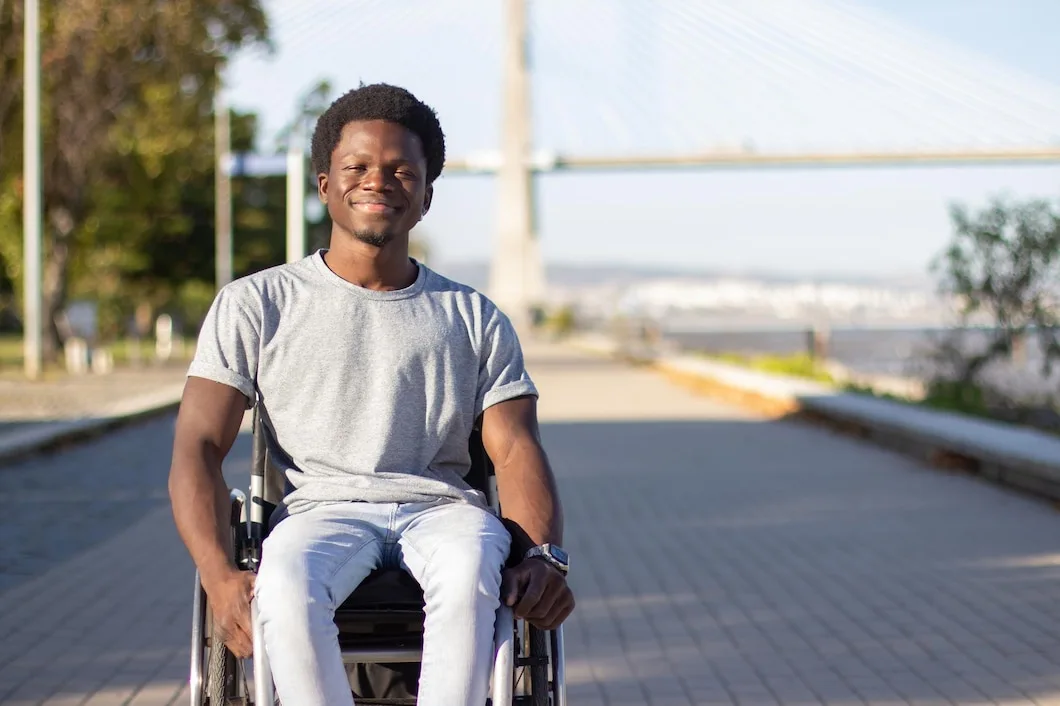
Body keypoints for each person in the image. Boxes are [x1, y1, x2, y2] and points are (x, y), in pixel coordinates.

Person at [168, 83, 574, 705]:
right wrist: (219, 577)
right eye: (356, 167)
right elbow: (197, 445)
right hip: (318, 511)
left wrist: (545, 557)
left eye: (400, 170)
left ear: (426, 196)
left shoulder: (474, 317)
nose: (376, 181)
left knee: (473, 572)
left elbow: (516, 449)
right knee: (282, 580)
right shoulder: (257, 304)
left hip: (444, 512)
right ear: (326, 185)